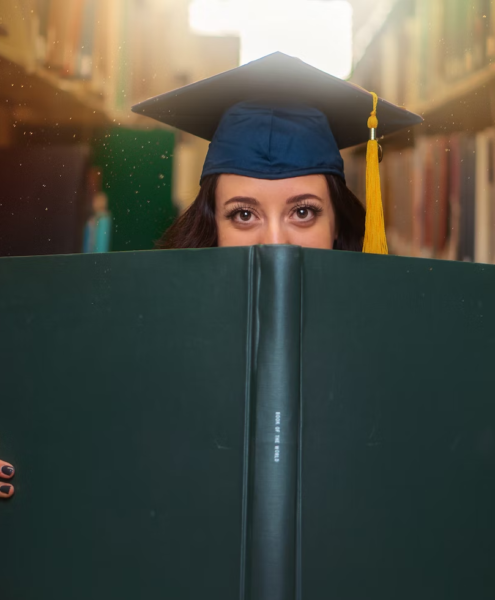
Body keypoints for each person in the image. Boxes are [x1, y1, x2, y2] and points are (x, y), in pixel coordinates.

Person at [0, 52, 421, 500]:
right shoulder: (139, 345)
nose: (274, 241)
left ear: (338, 223)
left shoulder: (398, 351)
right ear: (212, 227)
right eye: (243, 214)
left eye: (303, 212)